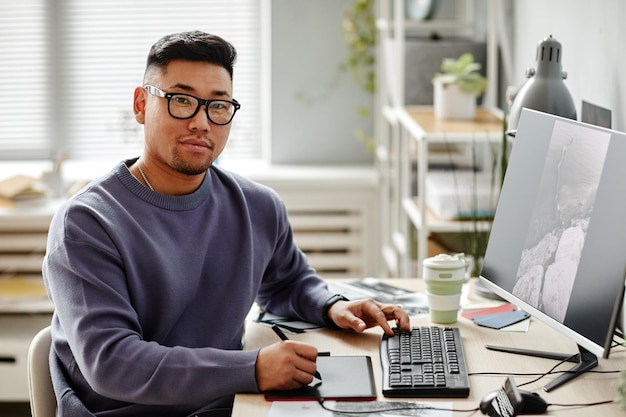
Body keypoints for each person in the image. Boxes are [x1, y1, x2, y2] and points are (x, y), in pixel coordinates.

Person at [42, 30, 410, 417]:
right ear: (140, 104)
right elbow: (112, 363)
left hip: (232, 405)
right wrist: (252, 368)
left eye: (218, 106)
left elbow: (288, 283)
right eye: (181, 100)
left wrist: (335, 306)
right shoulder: (86, 224)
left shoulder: (257, 205)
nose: (202, 122)